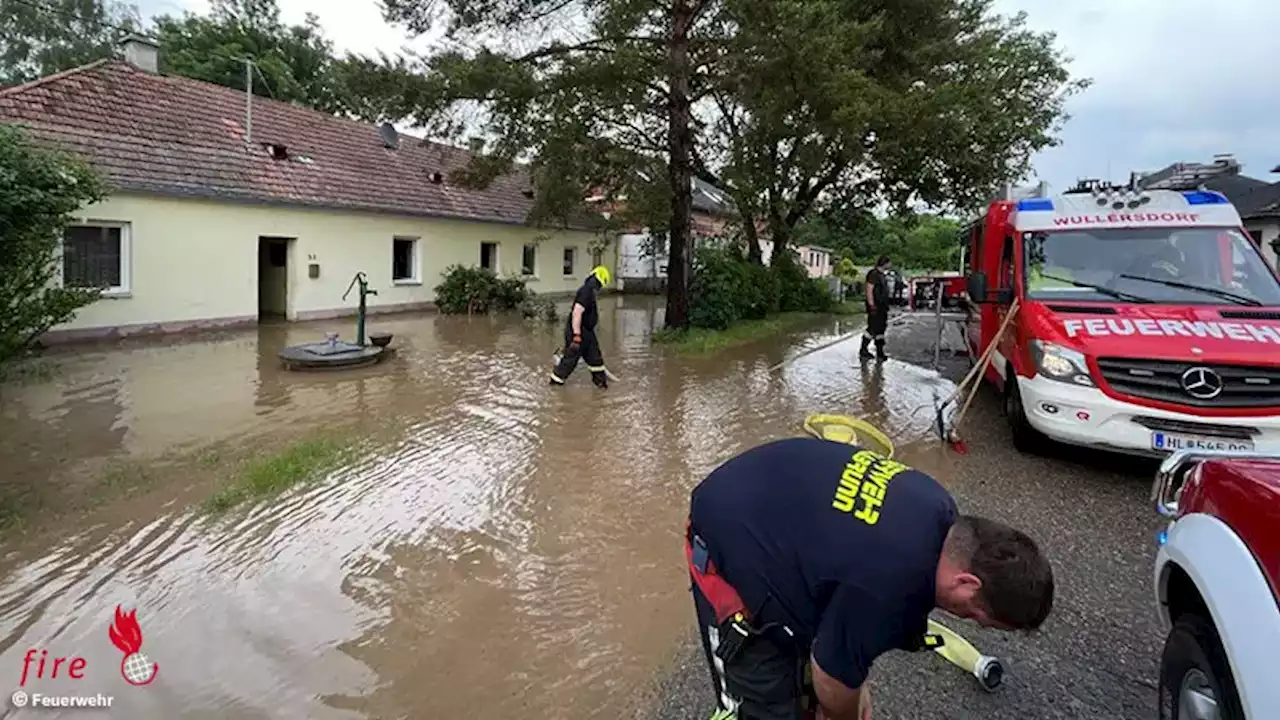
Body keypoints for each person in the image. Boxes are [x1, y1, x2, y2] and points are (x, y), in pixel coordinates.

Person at [686, 437, 1054, 720]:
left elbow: (847, 645)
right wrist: (845, 705)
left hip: (772, 503)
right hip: (724, 532)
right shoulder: (891, 588)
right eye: (977, 616)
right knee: (761, 698)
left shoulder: (937, 507)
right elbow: (833, 676)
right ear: (967, 582)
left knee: (811, 675)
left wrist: (850, 683)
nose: (967, 620)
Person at [551, 265, 612, 388]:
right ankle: (555, 385)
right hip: (578, 333)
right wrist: (576, 335)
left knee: (596, 359)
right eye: (599, 284)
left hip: (587, 333)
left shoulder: (589, 291)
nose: (598, 288)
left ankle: (601, 385)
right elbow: (577, 312)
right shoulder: (585, 291)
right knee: (569, 361)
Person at [860, 256, 891, 361]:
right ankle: (863, 350)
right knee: (872, 328)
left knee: (881, 329)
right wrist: (871, 305)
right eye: (888, 263)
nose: (889, 265)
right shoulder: (873, 274)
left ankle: (880, 352)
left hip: (882, 307)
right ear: (884, 263)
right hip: (875, 306)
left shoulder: (882, 275)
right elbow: (869, 289)